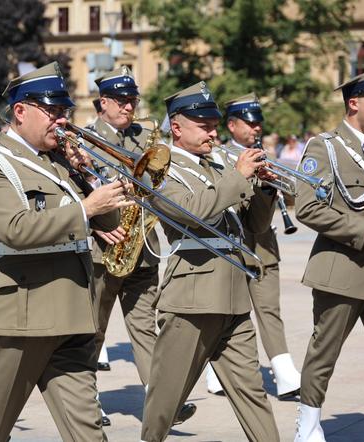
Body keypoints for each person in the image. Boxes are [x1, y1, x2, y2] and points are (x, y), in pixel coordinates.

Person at [0, 62, 128, 442]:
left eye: (63, 112)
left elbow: (109, 226)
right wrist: (84, 208)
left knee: (88, 431)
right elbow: (15, 230)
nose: (61, 121)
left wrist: (89, 177)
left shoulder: (59, 163)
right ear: (20, 111)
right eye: (51, 111)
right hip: (19, 319)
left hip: (71, 316)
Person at [140, 81, 279, 442]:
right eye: (203, 125)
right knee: (166, 398)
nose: (211, 132)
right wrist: (238, 177)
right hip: (193, 296)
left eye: (214, 124)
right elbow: (192, 212)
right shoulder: (159, 168)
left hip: (234, 294)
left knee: (252, 393)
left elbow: (254, 226)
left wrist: (265, 190)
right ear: (177, 126)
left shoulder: (220, 166)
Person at [85, 66, 196, 427]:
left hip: (142, 247)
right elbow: (75, 191)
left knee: (146, 327)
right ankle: (86, 402)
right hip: (104, 247)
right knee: (93, 329)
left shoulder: (145, 138)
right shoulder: (85, 139)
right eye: (121, 100)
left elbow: (158, 182)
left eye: (132, 100)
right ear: (103, 102)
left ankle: (161, 401)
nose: (129, 106)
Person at [294, 65, 364, 441]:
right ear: (354, 103)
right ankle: (307, 424)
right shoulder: (324, 147)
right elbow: (305, 207)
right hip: (341, 270)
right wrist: (363, 228)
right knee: (324, 354)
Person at [204, 93, 301, 399]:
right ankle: (215, 371)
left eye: (258, 122)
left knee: (269, 309)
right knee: (224, 312)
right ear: (231, 125)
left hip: (263, 246)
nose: (256, 128)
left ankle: (285, 374)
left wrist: (271, 187)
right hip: (231, 245)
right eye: (249, 122)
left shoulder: (264, 154)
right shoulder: (217, 157)